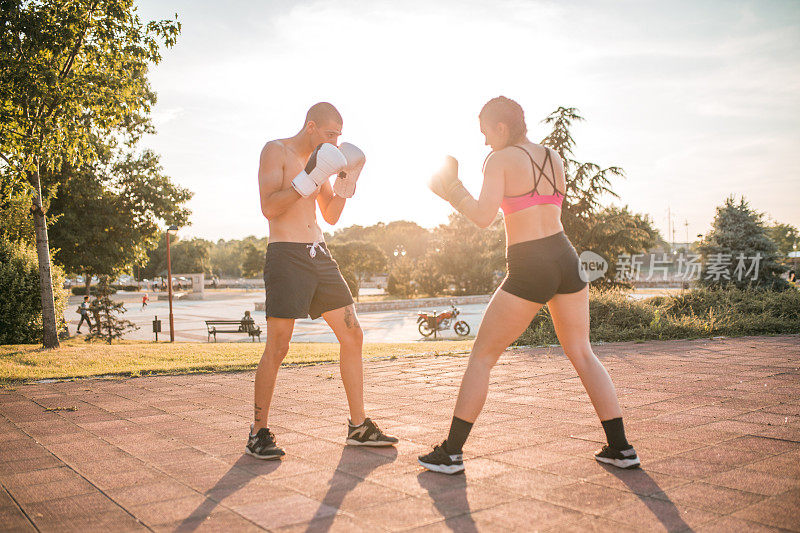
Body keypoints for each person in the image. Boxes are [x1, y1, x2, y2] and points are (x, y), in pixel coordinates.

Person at [418, 96, 639, 474]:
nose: (485, 142)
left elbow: (484, 217)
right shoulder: (554, 157)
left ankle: (451, 452)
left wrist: (451, 189)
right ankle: (621, 448)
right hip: (566, 258)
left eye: (487, 133)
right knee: (582, 353)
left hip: (529, 265)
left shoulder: (499, 160)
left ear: (501, 128)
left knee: (482, 357)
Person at [250, 102, 397, 460]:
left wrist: (347, 180)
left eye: (339, 137)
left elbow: (330, 215)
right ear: (312, 126)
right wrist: (310, 179)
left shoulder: (324, 161)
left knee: (353, 334)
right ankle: (258, 432)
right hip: (286, 254)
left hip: (319, 253)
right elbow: (269, 207)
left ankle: (358, 426)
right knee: (279, 346)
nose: (335, 141)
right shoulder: (276, 151)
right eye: (330, 134)